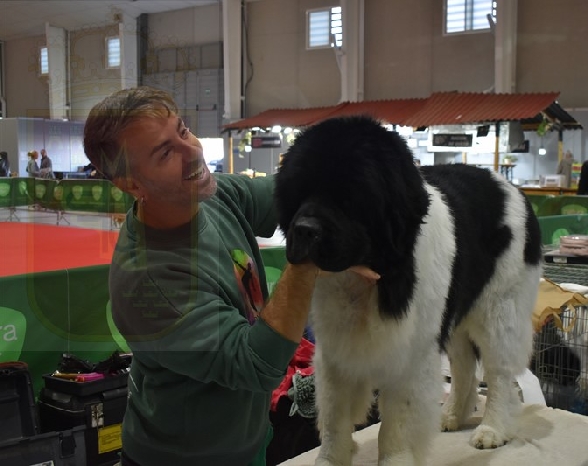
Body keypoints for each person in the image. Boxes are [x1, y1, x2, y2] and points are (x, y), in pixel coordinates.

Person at [83, 86, 375, 466]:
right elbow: (258, 363)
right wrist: (310, 251)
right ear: (131, 184)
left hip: (249, 444)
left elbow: (292, 194)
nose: (194, 151)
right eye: (166, 153)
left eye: (183, 131)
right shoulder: (150, 280)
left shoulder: (211, 196)